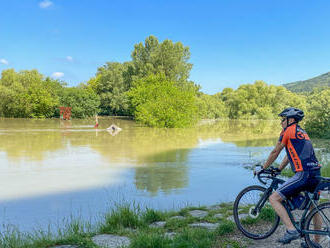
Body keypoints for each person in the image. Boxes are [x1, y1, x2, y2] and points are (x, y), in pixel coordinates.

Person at [260, 107, 321, 245]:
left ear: (291, 120)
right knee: (314, 207)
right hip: (316, 173)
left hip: (304, 174)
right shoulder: (302, 132)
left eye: (283, 119)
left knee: (274, 198)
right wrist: (279, 168)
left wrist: (263, 168)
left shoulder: (287, 131)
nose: (281, 122)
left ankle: (291, 230)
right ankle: (315, 243)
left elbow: (275, 151)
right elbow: (290, 155)